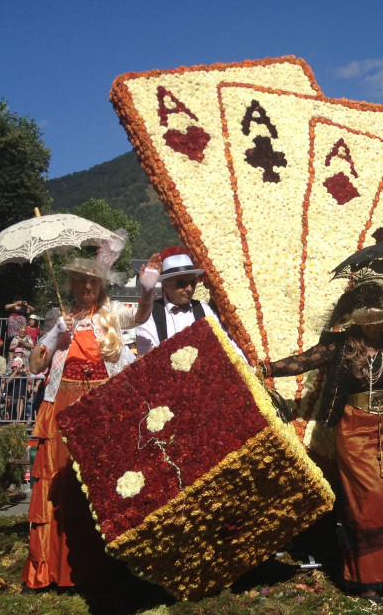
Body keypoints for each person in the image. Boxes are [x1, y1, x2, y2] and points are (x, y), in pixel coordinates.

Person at [257, 281, 383, 605]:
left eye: (381, 315)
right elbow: (304, 361)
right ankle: (368, 580)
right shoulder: (341, 345)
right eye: (370, 316)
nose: (377, 322)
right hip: (355, 431)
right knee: (367, 500)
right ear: (358, 317)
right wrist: (267, 368)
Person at [22, 245, 158, 592]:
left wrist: (147, 287)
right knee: (62, 487)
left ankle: (103, 568)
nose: (87, 288)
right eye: (81, 282)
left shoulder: (111, 315)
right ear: (72, 284)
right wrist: (56, 334)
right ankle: (54, 571)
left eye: (92, 283)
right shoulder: (59, 317)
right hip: (62, 410)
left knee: (101, 485)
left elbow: (142, 316)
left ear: (101, 286)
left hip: (101, 411)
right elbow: (34, 366)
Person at [134, 246, 236, 356]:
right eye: (181, 284)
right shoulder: (151, 313)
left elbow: (224, 343)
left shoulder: (203, 308)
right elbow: (147, 356)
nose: (189, 289)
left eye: (192, 283)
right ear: (165, 285)